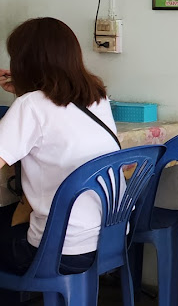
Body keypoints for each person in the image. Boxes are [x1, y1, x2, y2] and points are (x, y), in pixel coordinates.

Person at [0, 18, 119, 305]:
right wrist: (24, 91)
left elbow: (36, 115)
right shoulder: (96, 96)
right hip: (109, 239)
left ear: (25, 61)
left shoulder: (29, 107)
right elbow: (53, 116)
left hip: (59, 251)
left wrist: (24, 98)